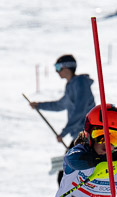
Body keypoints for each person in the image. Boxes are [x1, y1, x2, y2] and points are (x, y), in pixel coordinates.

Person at [30, 55, 96, 183]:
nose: (57, 71)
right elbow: (60, 104)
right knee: (67, 173)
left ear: (68, 67)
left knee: (66, 174)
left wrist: (64, 132)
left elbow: (79, 110)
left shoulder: (81, 83)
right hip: (79, 136)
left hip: (88, 136)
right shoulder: (71, 85)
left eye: (58, 67)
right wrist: (39, 105)